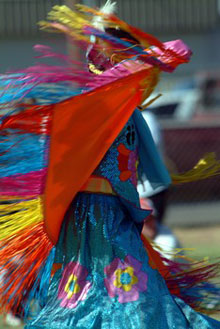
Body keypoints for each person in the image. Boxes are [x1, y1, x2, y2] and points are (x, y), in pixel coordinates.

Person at [0, 2, 219, 328]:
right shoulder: (95, 105)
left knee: (105, 281)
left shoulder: (109, 109)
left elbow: (122, 163)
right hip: (100, 211)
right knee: (109, 281)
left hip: (95, 210)